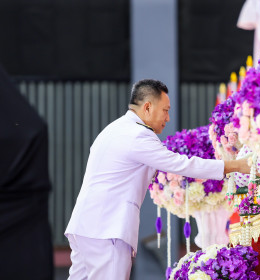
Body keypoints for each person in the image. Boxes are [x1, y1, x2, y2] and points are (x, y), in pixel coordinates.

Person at [65, 79, 250, 279]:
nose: (168, 118)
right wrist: (236, 165)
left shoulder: (114, 129)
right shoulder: (138, 135)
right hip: (107, 229)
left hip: (85, 227)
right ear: (147, 107)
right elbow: (181, 165)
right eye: (165, 110)